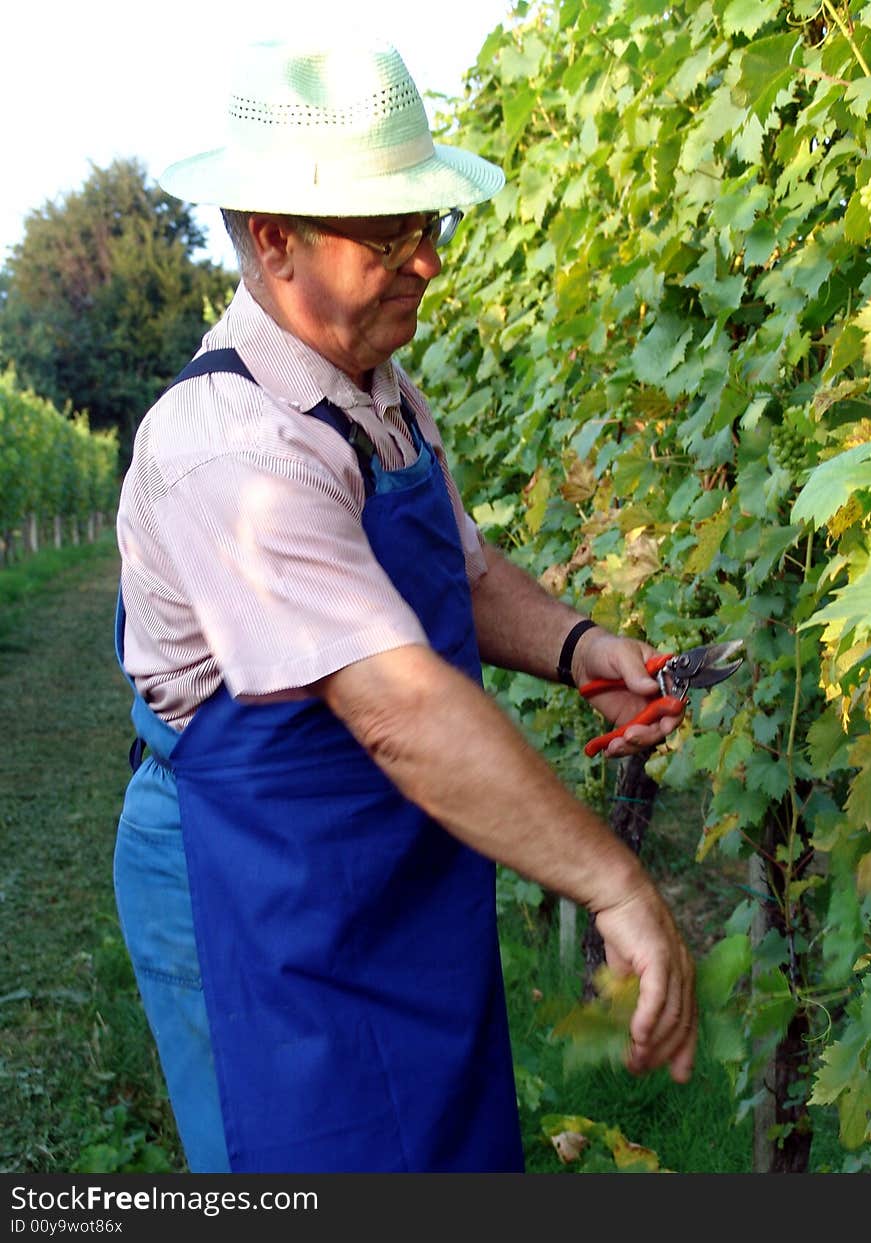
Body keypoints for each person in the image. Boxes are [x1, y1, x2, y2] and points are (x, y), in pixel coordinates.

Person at [113, 32, 695, 1175]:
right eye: (393, 235)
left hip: (386, 847)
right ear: (274, 241)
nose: (427, 262)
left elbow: (460, 571)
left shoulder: (372, 385)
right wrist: (611, 878)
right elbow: (393, 705)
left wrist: (581, 646)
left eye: (431, 227)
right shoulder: (233, 449)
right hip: (252, 880)